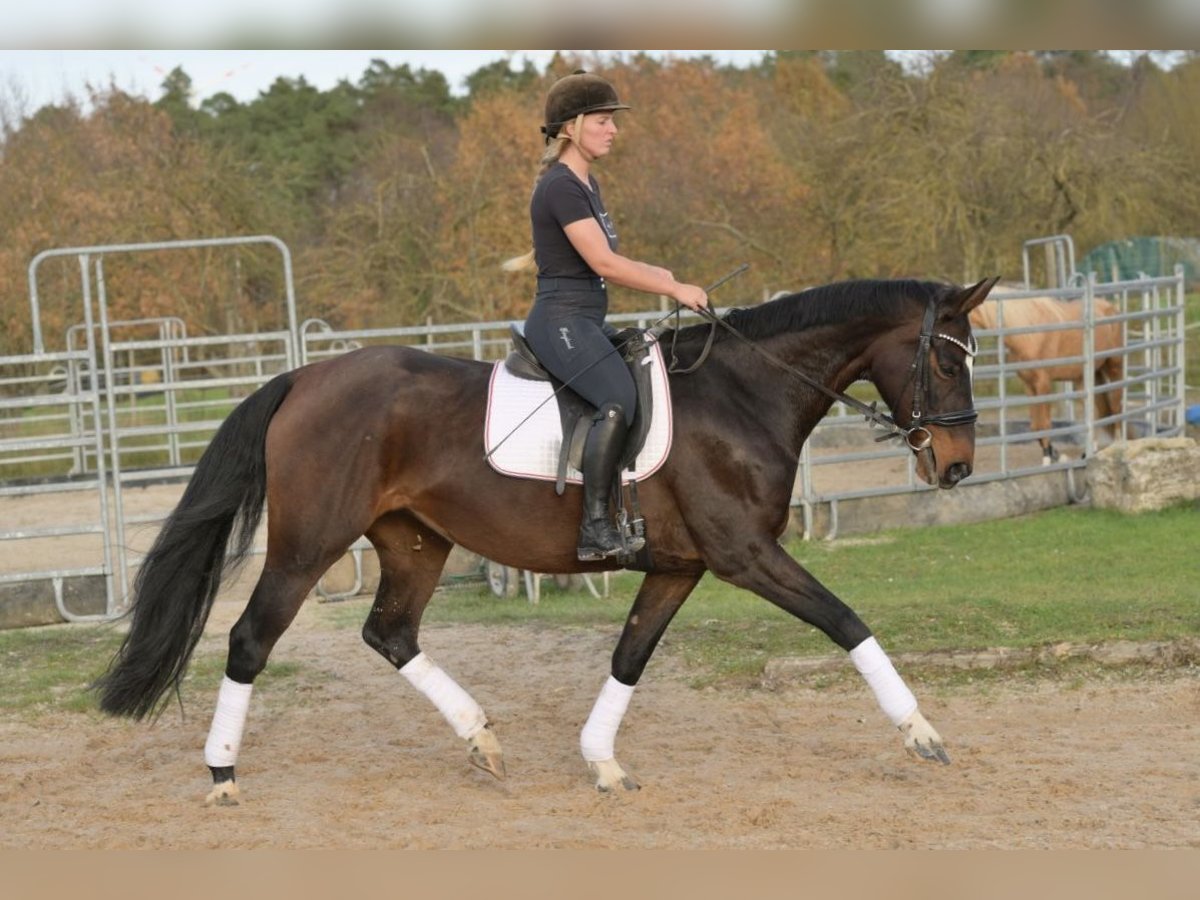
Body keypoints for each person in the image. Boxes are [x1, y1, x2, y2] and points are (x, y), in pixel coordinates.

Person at [505, 70, 709, 561]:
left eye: (611, 122)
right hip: (560, 322)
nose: (613, 129)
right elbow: (603, 263)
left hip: (584, 319)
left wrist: (663, 272)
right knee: (616, 398)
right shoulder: (562, 188)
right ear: (571, 127)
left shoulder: (585, 183)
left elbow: (604, 260)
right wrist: (671, 285)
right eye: (602, 121)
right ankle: (595, 527)